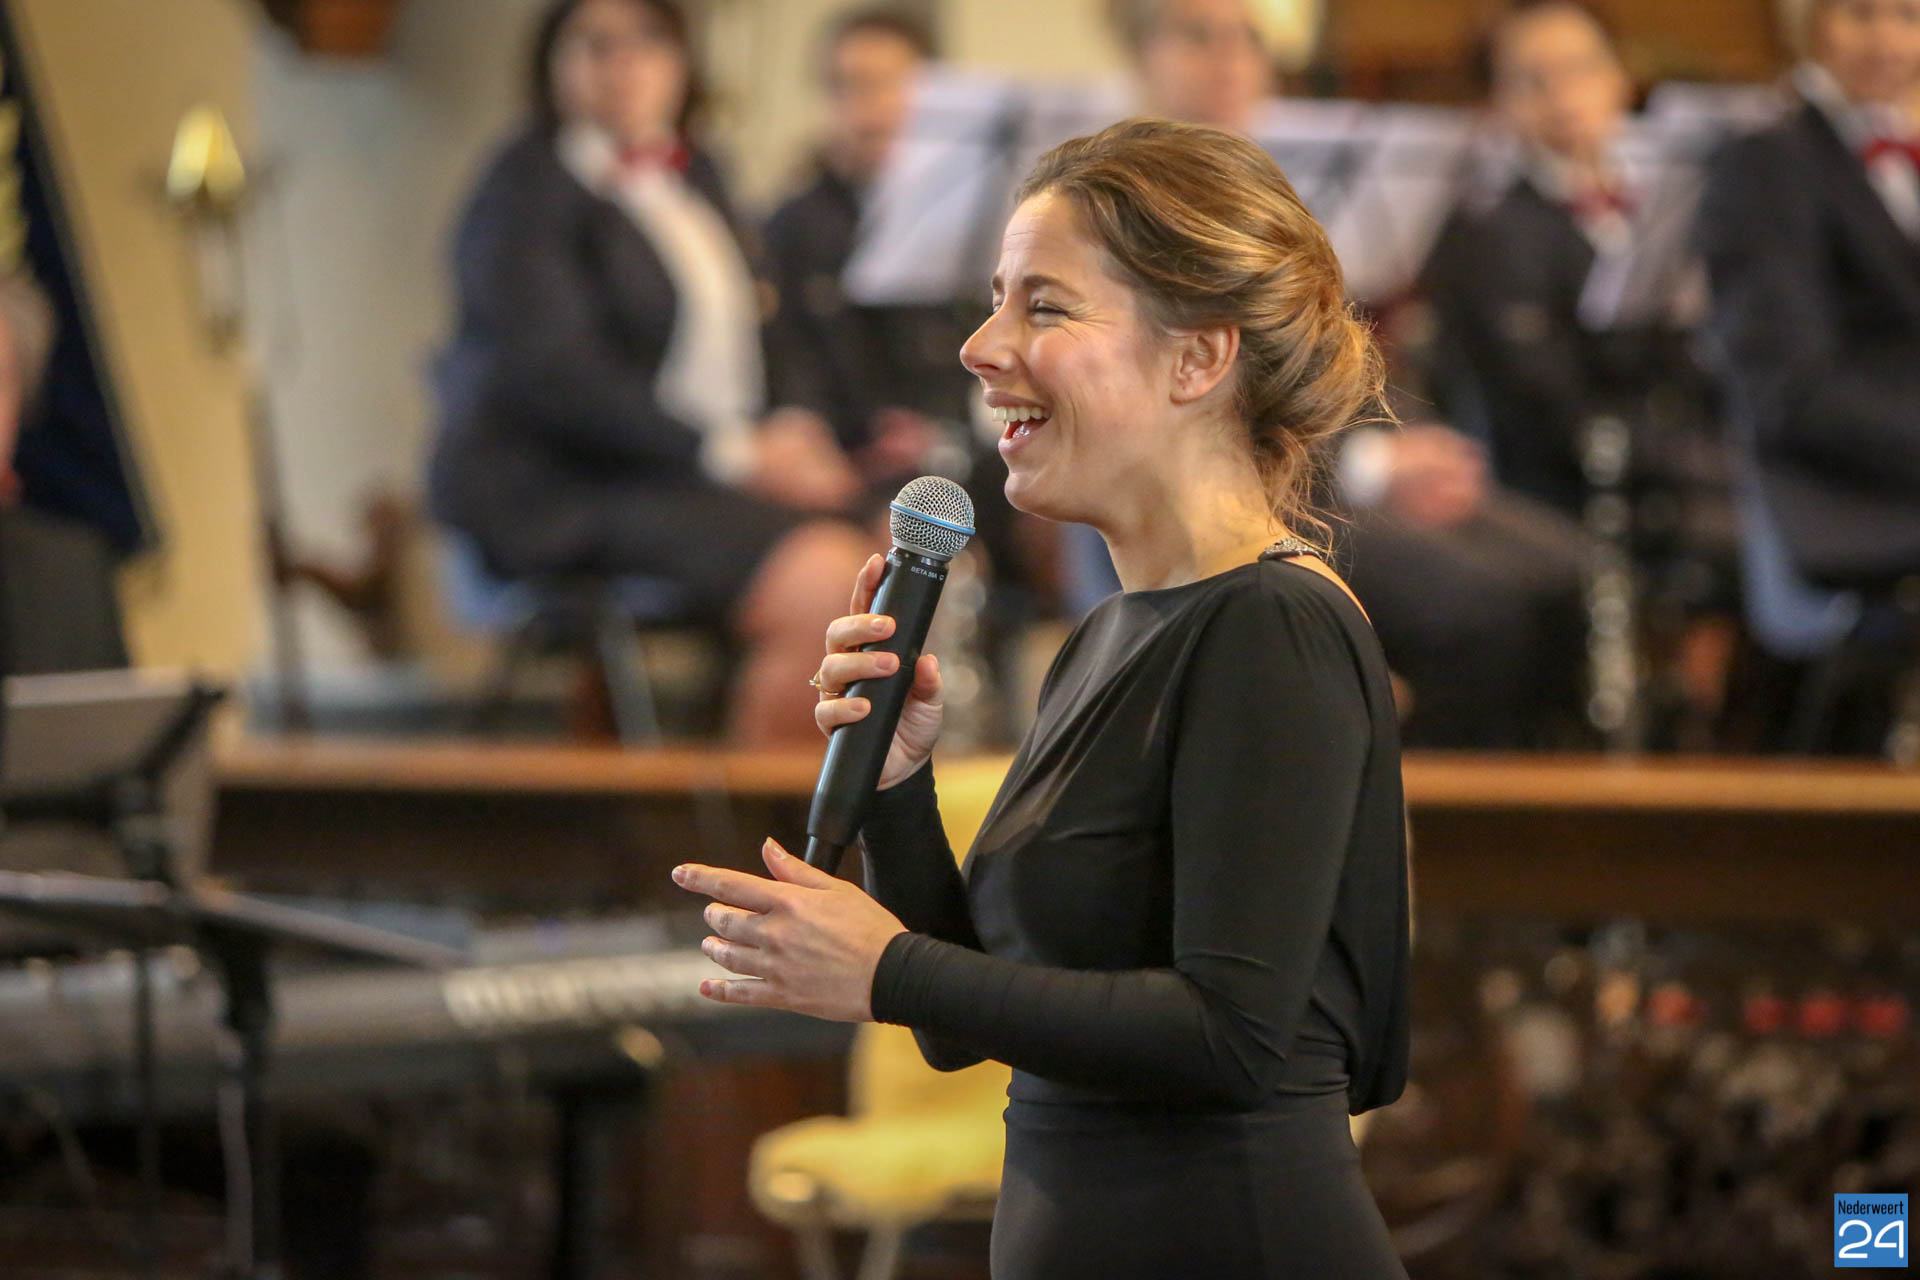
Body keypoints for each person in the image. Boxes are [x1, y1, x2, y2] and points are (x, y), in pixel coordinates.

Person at [674, 119, 1411, 1278]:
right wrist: (899, 786)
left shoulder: (1274, 625)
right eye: (994, 301)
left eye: (1044, 306)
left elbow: (1230, 1035)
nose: (981, 347)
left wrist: (885, 965)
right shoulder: (1107, 637)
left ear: (1196, 359)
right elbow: (961, 1025)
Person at [1082, 0, 1590, 747]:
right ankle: (1426, 806)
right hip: (1227, 497)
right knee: (1480, 610)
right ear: (1140, 56)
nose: (1231, 62)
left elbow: (1340, 351)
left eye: (1248, 40)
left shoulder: (1286, 187)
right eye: (1198, 37)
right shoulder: (1119, 212)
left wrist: (1407, 444)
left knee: (1570, 572)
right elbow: (1182, 406)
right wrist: (1371, 467)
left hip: (1333, 468)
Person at [426, 0, 870, 745]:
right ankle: (767, 814)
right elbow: (561, 379)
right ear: (551, 61)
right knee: (828, 583)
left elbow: (771, 326)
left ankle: (855, 807)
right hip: (570, 488)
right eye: (596, 45)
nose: (624, 66)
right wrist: (739, 455)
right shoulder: (522, 192)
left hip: (693, 478)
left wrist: (797, 427)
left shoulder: (698, 173)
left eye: (648, 43)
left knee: (900, 548)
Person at [1417, 0, 1740, 745]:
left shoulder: (1668, 207)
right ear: (1495, 104)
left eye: (1582, 68)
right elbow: (1545, 403)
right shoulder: (1489, 230)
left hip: (1666, 457)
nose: (1564, 96)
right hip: (1563, 478)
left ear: (1621, 79)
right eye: (1532, 80)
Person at [1697, 0, 1920, 753]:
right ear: (1811, 21)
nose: (1887, 38)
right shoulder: (1767, 160)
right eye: (1861, 12)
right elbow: (1791, 387)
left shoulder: (1901, 149)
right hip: (1840, 482)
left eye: (1907, 15)